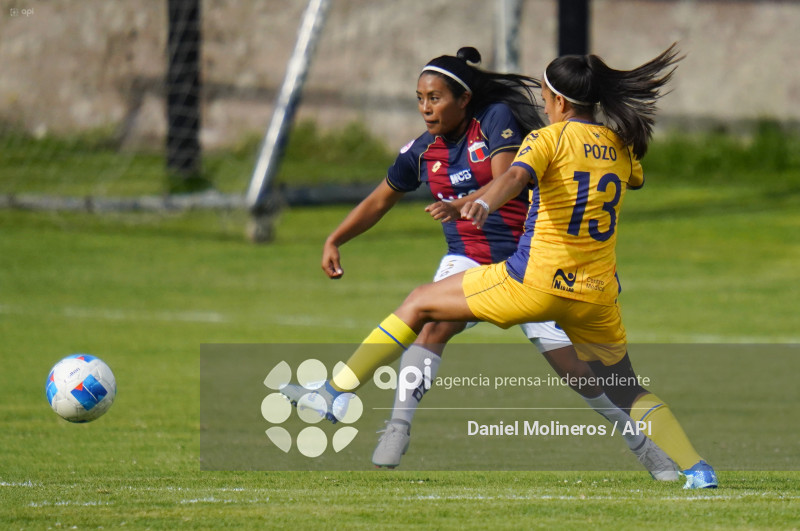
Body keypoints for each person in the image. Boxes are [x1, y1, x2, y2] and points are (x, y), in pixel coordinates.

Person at [287, 47, 679, 480]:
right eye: (419, 98)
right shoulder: (422, 151)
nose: (425, 108)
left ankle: (644, 446)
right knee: (429, 319)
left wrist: (470, 203)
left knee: (578, 372)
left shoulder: (494, 120)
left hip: (528, 264)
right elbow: (381, 198)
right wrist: (335, 238)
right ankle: (391, 423)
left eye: (434, 98)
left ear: (464, 99)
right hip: (467, 260)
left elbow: (507, 177)